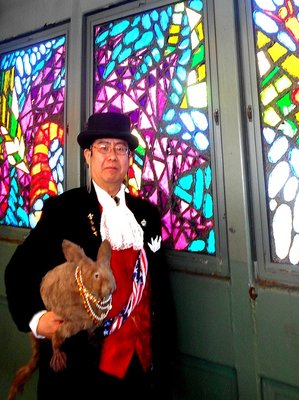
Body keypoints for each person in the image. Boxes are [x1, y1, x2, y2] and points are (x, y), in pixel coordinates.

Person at [5, 112, 177, 399]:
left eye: (121, 148)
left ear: (129, 159)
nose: (112, 156)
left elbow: (159, 289)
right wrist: (36, 319)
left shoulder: (147, 216)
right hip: (80, 373)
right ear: (88, 156)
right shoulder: (63, 210)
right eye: (103, 147)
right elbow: (18, 270)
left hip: (140, 368)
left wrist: (163, 357)